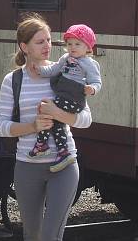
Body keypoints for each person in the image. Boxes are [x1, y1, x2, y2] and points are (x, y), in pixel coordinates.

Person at [0, 13, 92, 241]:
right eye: (40, 42)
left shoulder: (68, 71)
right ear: (24, 47)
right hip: (27, 167)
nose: (47, 46)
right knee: (33, 235)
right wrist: (32, 126)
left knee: (50, 236)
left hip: (65, 166)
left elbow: (86, 118)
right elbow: (0, 126)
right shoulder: (13, 80)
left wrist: (57, 113)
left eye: (48, 40)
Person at [29, 24, 102, 172]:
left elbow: (97, 81)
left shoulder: (89, 63)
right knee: (56, 122)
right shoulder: (65, 58)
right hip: (63, 95)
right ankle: (63, 152)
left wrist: (92, 89)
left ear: (87, 47)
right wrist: (40, 70)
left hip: (75, 98)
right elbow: (54, 69)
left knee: (46, 111)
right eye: (69, 44)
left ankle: (42, 144)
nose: (72, 47)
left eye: (77, 44)